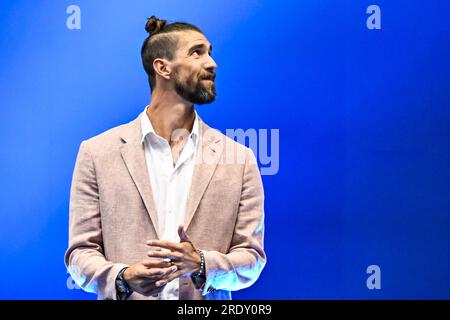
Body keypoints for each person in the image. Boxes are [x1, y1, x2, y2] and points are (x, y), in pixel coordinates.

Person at [64, 16, 266, 300]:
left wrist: (204, 265)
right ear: (162, 67)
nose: (211, 63)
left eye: (210, 52)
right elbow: (81, 254)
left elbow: (252, 259)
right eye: (197, 52)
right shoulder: (97, 152)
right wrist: (123, 278)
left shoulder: (239, 159)